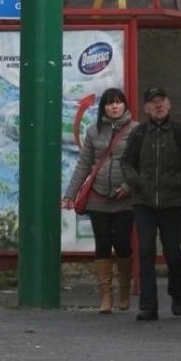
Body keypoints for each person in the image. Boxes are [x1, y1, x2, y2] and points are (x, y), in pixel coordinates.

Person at [121, 86, 181, 321]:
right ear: (146, 107)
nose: (158, 105)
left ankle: (177, 293)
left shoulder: (179, 132)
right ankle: (148, 305)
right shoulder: (138, 134)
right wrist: (136, 183)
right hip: (143, 202)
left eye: (162, 101)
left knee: (172, 253)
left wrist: (177, 181)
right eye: (153, 102)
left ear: (169, 104)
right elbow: (126, 163)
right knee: (145, 252)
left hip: (172, 203)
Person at [62, 87, 137, 314]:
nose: (114, 106)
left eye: (118, 102)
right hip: (98, 196)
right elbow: (84, 164)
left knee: (123, 243)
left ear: (125, 105)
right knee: (103, 243)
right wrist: (70, 194)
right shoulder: (94, 131)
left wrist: (128, 186)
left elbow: (141, 164)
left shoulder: (136, 130)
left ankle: (124, 289)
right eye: (109, 103)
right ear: (103, 107)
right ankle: (106, 296)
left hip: (125, 198)